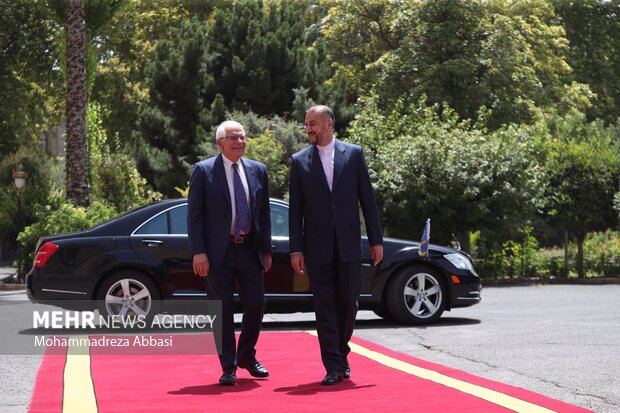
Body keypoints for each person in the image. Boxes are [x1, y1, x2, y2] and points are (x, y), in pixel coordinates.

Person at [288, 105, 383, 385]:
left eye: (313, 123)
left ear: (329, 124)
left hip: (349, 244)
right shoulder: (299, 160)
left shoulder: (353, 154)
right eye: (307, 124)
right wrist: (296, 248)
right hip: (316, 246)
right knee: (325, 306)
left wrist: (376, 240)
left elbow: (367, 199)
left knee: (349, 304)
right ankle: (332, 364)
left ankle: (342, 353)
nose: (309, 129)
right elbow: (295, 210)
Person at [187, 120, 272, 386]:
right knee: (221, 310)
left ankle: (246, 355)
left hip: (248, 249)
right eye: (233, 138)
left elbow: (264, 215)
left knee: (256, 304)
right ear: (219, 143)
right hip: (216, 253)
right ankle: (228, 366)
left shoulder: (258, 170)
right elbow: (195, 215)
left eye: (242, 137)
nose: (239, 142)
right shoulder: (204, 171)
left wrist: (266, 250)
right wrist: (199, 251)